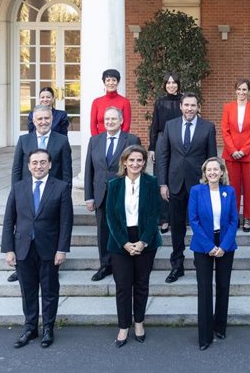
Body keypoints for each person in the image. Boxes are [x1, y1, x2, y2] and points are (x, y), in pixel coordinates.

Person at [1, 149, 74, 349]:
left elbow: (66, 222)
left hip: (49, 249)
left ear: (50, 165)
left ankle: (48, 328)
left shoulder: (61, 187)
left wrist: (62, 249)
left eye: (43, 162)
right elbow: (9, 220)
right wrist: (9, 249)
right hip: (23, 248)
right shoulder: (18, 188)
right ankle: (30, 328)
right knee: (28, 291)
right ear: (28, 165)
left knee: (50, 291)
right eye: (34, 163)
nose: (38, 166)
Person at [156, 92, 217, 283]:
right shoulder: (170, 126)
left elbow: (212, 159)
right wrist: (163, 183)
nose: (190, 109)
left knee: (204, 226)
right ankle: (177, 265)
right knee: (177, 228)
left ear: (198, 107)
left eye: (193, 105)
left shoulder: (208, 127)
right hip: (175, 185)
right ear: (181, 106)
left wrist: (211, 186)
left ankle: (203, 264)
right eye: (186, 105)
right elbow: (164, 156)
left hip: (199, 186)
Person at [8, 105, 72, 286]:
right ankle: (21, 269)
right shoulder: (24, 140)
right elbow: (17, 169)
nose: (43, 122)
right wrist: (15, 193)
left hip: (53, 196)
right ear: (33, 121)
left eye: (47, 118)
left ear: (52, 119)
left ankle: (51, 268)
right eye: (39, 119)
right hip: (27, 195)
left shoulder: (61, 141)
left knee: (49, 232)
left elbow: (67, 171)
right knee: (25, 229)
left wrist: (65, 194)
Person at [105, 145, 161, 348]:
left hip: (145, 238)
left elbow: (154, 214)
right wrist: (125, 243)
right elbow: (110, 216)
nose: (135, 164)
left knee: (141, 284)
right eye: (131, 160)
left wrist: (143, 241)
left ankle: (139, 323)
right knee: (122, 286)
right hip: (120, 240)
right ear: (124, 162)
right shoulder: (114, 184)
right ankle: (123, 326)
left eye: (139, 160)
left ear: (144, 163)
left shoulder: (151, 182)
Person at [85, 107, 141, 281]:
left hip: (124, 193)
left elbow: (138, 166)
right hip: (101, 194)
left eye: (113, 119)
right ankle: (105, 265)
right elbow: (89, 170)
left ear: (121, 121)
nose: (110, 122)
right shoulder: (95, 140)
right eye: (107, 119)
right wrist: (89, 196)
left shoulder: (131, 139)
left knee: (123, 229)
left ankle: (123, 264)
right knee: (103, 232)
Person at [188, 157, 239, 350]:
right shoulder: (196, 191)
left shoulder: (229, 191)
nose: (212, 173)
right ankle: (205, 335)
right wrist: (209, 246)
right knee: (205, 288)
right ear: (204, 172)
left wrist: (224, 246)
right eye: (209, 170)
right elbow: (193, 220)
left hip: (225, 243)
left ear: (222, 172)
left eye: (216, 169)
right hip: (203, 245)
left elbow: (234, 220)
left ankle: (220, 326)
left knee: (223, 286)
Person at [221, 78, 250, 233]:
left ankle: (247, 218)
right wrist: (233, 150)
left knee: (249, 187)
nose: (242, 92)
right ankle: (234, 216)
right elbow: (225, 131)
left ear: (249, 91)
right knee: (233, 187)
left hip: (249, 154)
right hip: (231, 154)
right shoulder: (228, 107)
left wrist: (243, 150)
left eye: (245, 89)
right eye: (239, 89)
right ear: (235, 90)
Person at [148, 73, 182, 227]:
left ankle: (178, 216)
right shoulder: (160, 102)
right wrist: (152, 148)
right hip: (162, 140)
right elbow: (154, 126)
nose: (171, 85)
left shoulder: (184, 101)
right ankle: (163, 219)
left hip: (179, 141)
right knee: (161, 178)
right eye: (168, 83)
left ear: (178, 84)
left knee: (177, 176)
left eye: (174, 82)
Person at [90, 69, 132, 136]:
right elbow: (93, 126)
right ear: (104, 83)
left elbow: (126, 125)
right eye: (108, 80)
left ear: (118, 82)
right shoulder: (96, 102)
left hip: (119, 141)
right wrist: (96, 141)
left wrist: (119, 141)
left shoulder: (125, 102)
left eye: (114, 80)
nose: (111, 83)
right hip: (100, 141)